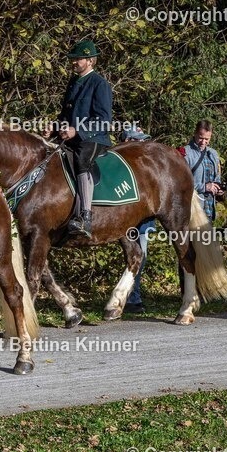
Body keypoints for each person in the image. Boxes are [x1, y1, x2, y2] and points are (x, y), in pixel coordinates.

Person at [53, 40, 113, 239]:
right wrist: (54, 127)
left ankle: (85, 216)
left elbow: (104, 120)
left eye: (78, 59)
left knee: (81, 159)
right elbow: (65, 115)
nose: (74, 62)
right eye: (73, 59)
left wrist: (77, 130)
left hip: (94, 138)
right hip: (71, 136)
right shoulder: (73, 82)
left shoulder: (99, 84)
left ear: (90, 61)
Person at [120, 126, 154, 314]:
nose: (142, 144)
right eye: (137, 140)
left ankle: (132, 296)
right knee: (135, 257)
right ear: (126, 141)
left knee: (141, 257)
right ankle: (131, 297)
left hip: (143, 224)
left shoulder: (145, 167)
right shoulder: (121, 167)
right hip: (125, 224)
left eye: (143, 141)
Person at [181, 120, 224, 223]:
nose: (203, 142)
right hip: (192, 210)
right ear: (195, 133)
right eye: (201, 138)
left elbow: (217, 178)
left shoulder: (213, 154)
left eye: (207, 139)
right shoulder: (185, 154)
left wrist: (218, 188)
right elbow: (180, 184)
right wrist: (204, 187)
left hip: (209, 209)